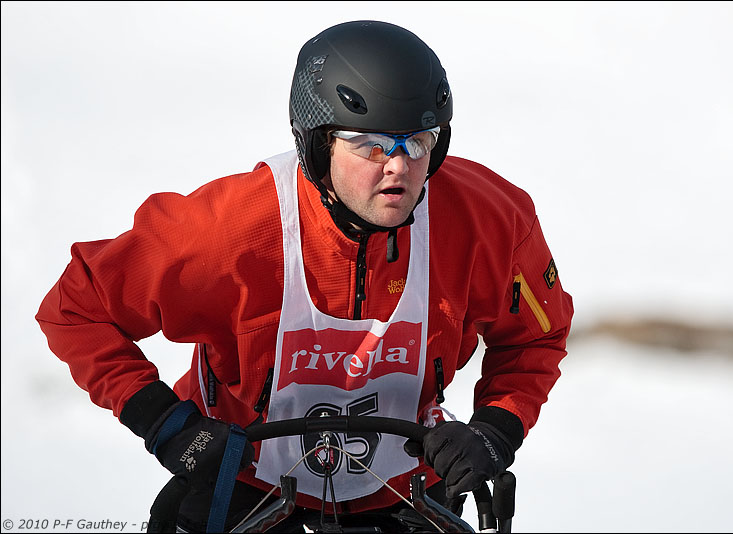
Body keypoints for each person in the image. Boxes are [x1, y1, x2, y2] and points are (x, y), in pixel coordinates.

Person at [36, 19, 573, 532]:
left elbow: (536, 337)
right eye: (372, 145)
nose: (399, 166)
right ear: (317, 143)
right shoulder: (229, 228)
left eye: (418, 142)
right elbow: (76, 308)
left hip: (406, 483)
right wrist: (165, 423)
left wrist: (496, 429)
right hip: (241, 478)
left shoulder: (492, 221)